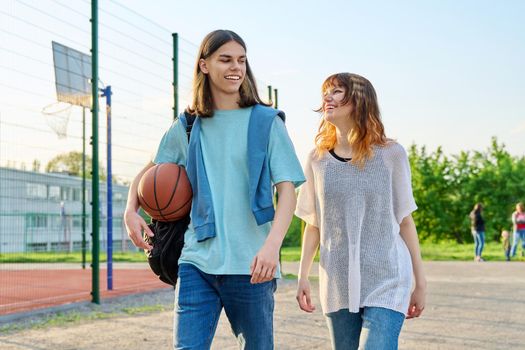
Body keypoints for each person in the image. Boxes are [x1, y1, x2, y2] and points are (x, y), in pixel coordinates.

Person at [124, 30, 305, 349]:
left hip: (252, 263)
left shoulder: (267, 122)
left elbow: (287, 190)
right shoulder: (189, 124)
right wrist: (129, 211)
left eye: (241, 60)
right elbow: (150, 171)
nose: (236, 67)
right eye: (226, 59)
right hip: (196, 260)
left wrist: (272, 246)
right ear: (204, 65)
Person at [295, 72, 426, 350]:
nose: (327, 98)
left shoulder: (391, 154)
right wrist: (302, 276)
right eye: (326, 92)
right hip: (337, 281)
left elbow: (404, 221)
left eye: (337, 91)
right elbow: (314, 224)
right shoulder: (317, 160)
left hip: (388, 277)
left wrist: (421, 282)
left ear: (360, 100)